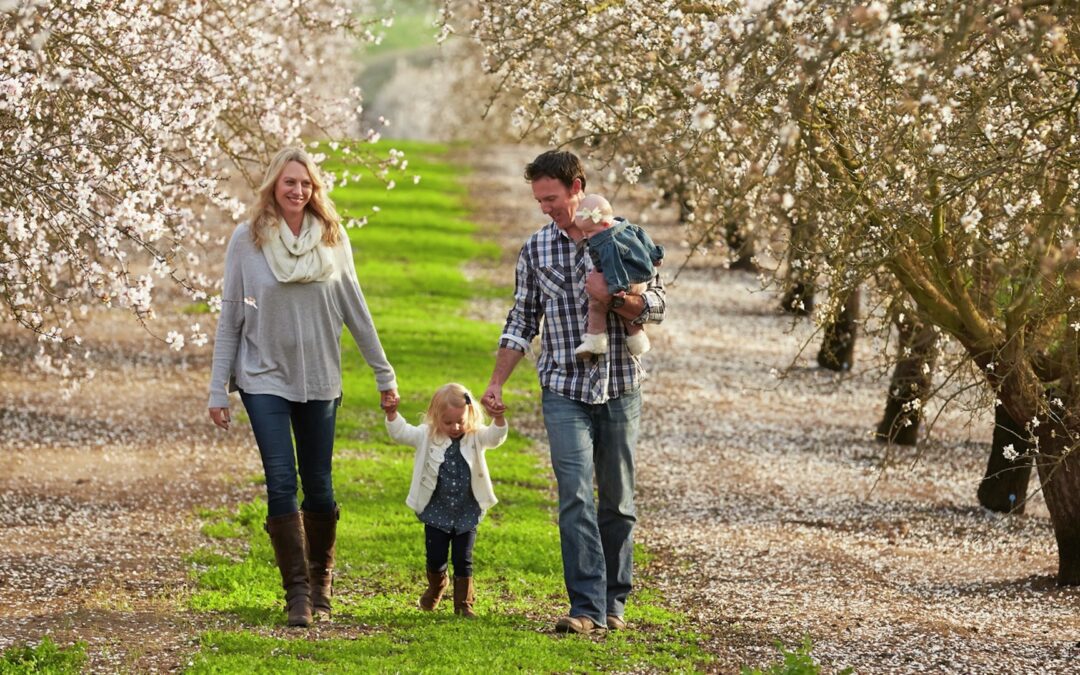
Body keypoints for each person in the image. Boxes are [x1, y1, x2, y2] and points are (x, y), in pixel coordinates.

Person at [207, 147, 399, 628]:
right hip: (262, 377)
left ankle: (321, 584)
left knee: (318, 484)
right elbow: (231, 316)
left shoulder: (332, 239)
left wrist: (384, 373)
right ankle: (296, 595)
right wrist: (217, 388)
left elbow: (355, 307)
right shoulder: (247, 241)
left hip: (320, 379)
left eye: (306, 184)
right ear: (274, 184)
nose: (297, 191)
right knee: (280, 480)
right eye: (289, 182)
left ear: (315, 191)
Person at [481, 150, 666, 635]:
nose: (545, 207)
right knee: (575, 496)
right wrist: (497, 381)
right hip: (563, 386)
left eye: (553, 198)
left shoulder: (622, 237)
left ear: (577, 186)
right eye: (539, 199)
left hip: (621, 386)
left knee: (618, 500)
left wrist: (617, 299)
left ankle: (614, 603)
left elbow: (658, 304)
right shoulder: (536, 249)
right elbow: (521, 318)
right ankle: (584, 607)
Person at [383, 383, 508, 618]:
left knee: (464, 558)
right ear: (434, 416)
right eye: (448, 422)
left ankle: (464, 604)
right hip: (436, 510)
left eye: (460, 421)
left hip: (467, 510)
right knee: (436, 556)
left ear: (470, 414)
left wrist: (498, 420)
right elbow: (402, 433)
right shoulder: (426, 435)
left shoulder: (475, 435)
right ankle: (437, 585)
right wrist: (392, 414)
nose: (455, 427)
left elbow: (495, 437)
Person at [572, 193, 664, 358]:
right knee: (624, 312)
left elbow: (613, 265)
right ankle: (637, 338)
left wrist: (618, 288)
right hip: (641, 280)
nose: (585, 236)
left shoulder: (607, 243)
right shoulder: (628, 227)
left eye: (588, 232)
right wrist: (655, 256)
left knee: (595, 304)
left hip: (623, 281)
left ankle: (595, 340)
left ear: (605, 224)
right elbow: (643, 236)